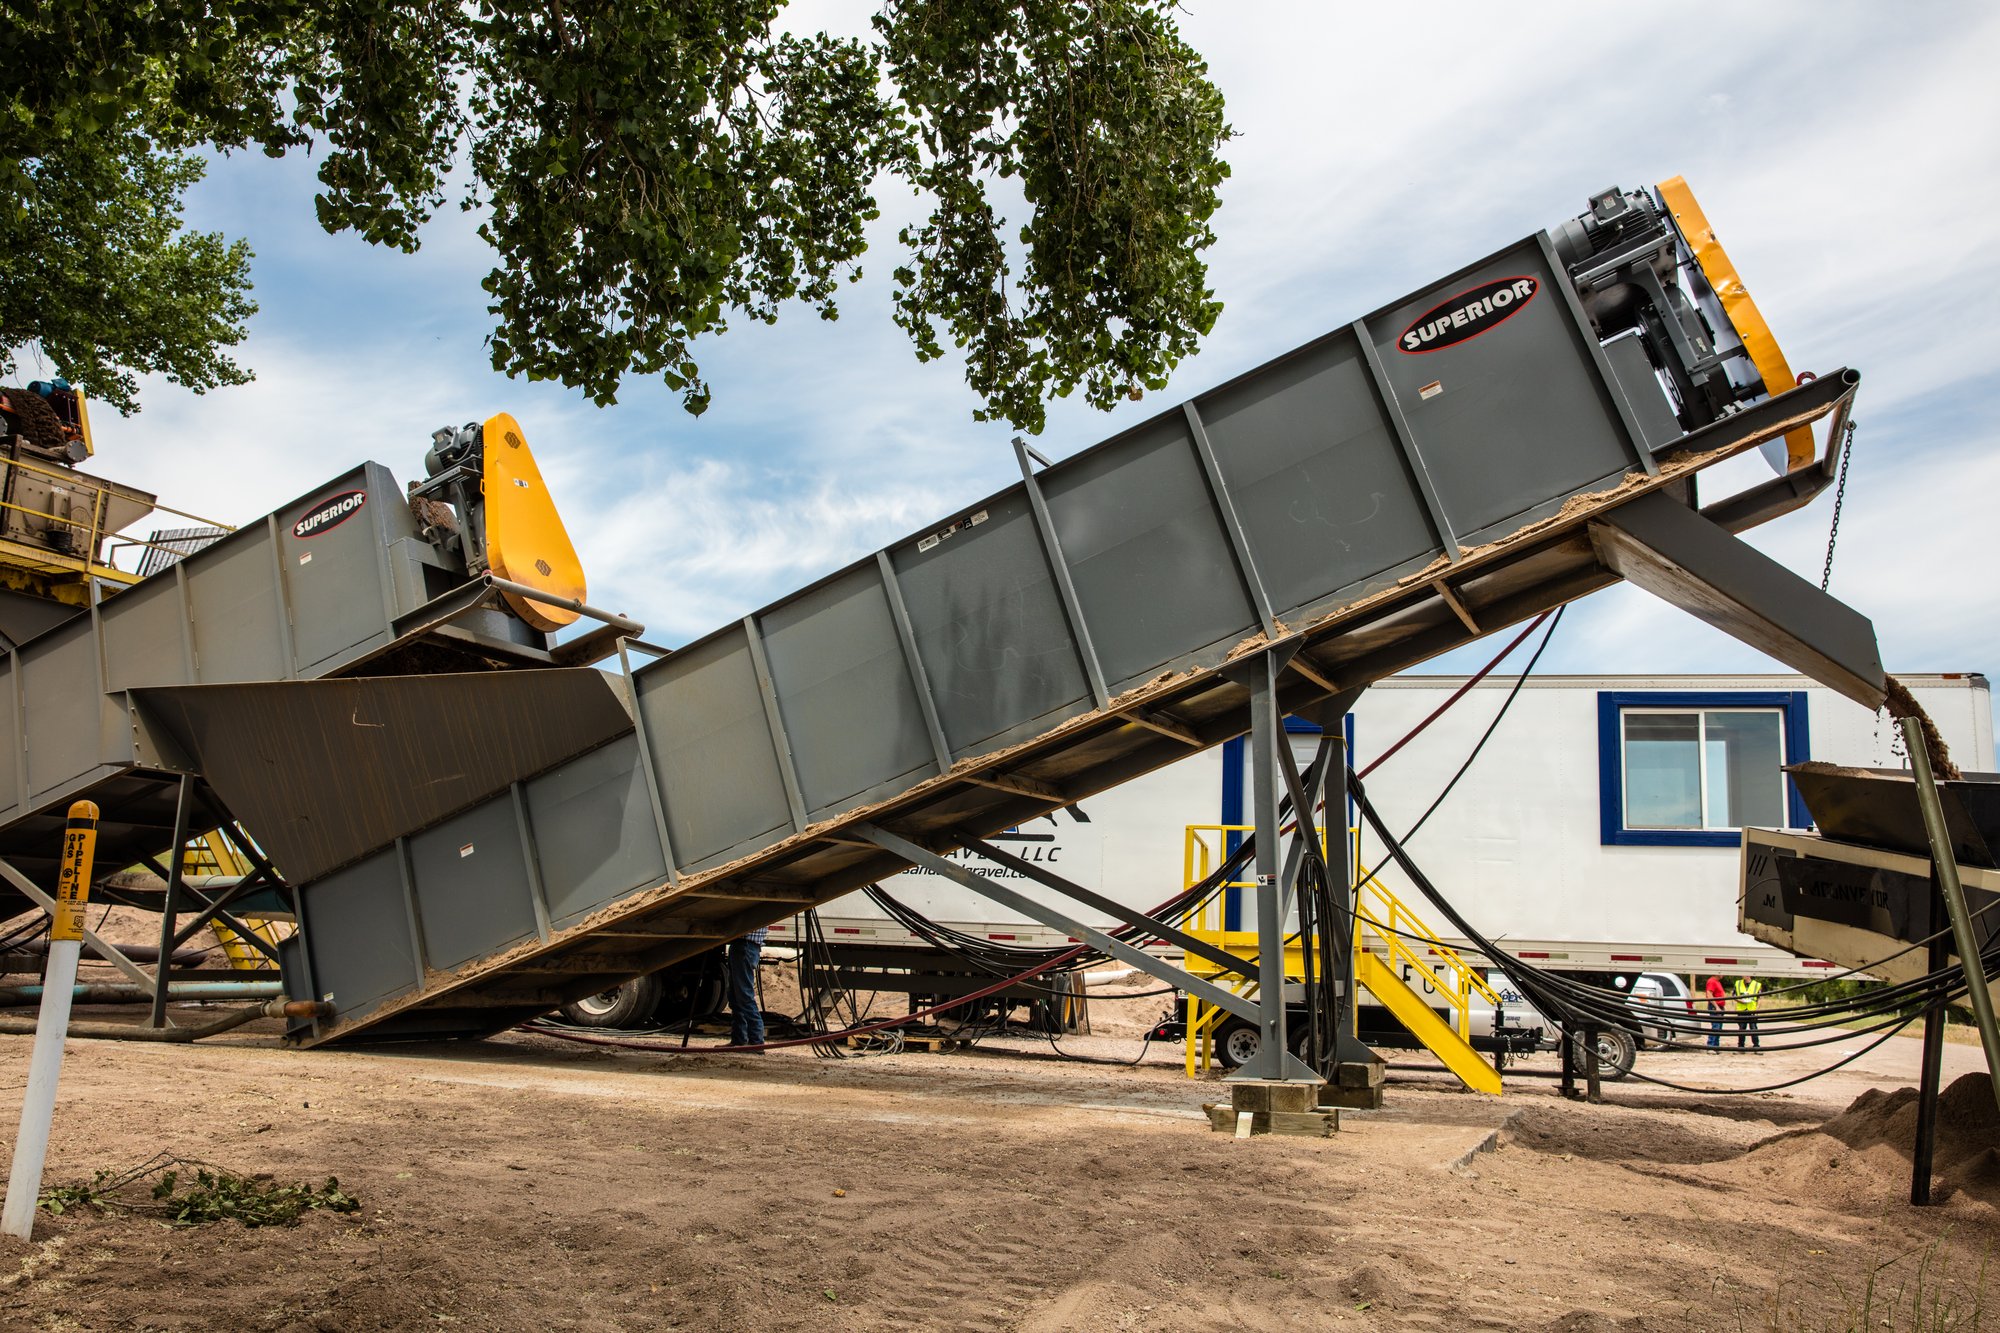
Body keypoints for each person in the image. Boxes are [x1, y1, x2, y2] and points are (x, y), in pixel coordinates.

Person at [726, 926, 768, 1050]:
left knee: (744, 996)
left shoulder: (757, 911)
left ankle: (756, 1041)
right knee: (735, 996)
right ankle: (739, 1039)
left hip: (745, 945)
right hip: (743, 945)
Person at [1732, 975, 1764, 1050]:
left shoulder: (1757, 984)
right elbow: (1733, 995)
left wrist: (1757, 1009)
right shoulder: (1738, 983)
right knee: (1742, 1028)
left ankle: (1756, 1046)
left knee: (1753, 1028)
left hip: (1752, 1010)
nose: (1742, 976)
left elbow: (1760, 998)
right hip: (1741, 1009)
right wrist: (1740, 1001)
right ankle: (1741, 1046)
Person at [1704, 974, 1727, 1050]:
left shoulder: (1717, 982)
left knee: (1719, 1027)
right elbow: (1709, 994)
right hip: (1715, 1007)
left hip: (1719, 1007)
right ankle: (1711, 1046)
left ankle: (1716, 1046)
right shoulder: (1712, 981)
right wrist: (1716, 1006)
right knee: (1716, 1026)